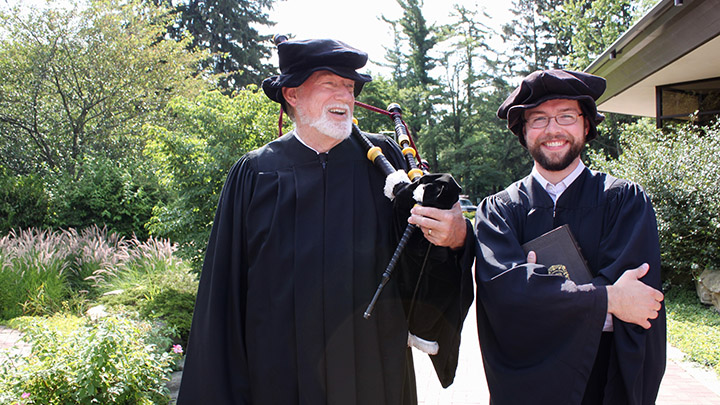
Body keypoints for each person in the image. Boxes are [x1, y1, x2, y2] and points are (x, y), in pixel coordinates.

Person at [177, 38, 475, 404]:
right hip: (280, 375)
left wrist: (456, 236)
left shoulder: (382, 163)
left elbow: (424, 258)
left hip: (374, 369)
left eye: (349, 87)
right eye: (329, 84)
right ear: (292, 94)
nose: (344, 97)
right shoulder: (255, 174)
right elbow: (223, 294)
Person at [473, 69, 666, 405]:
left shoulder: (624, 201)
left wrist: (539, 294)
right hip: (526, 390)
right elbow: (506, 300)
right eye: (538, 119)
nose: (553, 130)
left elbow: (637, 303)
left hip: (602, 386)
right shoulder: (499, 212)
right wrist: (608, 299)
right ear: (523, 131)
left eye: (566, 116)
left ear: (586, 125)